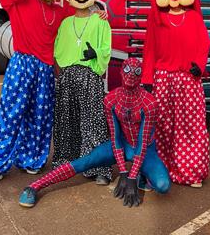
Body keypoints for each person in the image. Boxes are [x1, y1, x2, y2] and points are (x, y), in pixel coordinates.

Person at [18, 58, 171, 209]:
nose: (131, 75)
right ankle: (34, 186)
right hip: (122, 144)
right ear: (120, 72)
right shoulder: (111, 99)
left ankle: (141, 175)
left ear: (141, 75)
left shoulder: (149, 102)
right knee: (86, 161)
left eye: (136, 72)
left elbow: (142, 143)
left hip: (145, 149)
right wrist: (123, 172)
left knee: (163, 185)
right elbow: (115, 137)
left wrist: (131, 177)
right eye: (127, 70)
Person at [0, 0, 68, 185]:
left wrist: (98, 13)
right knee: (10, 115)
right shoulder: (22, 1)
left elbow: (79, 15)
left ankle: (32, 160)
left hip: (46, 69)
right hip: (22, 64)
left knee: (40, 117)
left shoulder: (59, 12)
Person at [141, 0, 210, 188]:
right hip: (163, 79)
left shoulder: (194, 18)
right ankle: (162, 168)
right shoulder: (157, 19)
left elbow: (204, 44)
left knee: (190, 125)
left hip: (189, 80)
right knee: (162, 126)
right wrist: (147, 79)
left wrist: (199, 66)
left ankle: (191, 171)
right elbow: (149, 49)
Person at [52, 0, 112, 185]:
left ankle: (100, 166)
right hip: (67, 76)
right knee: (66, 121)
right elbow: (58, 48)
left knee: (93, 123)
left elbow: (106, 47)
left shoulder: (100, 21)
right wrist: (61, 72)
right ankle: (65, 160)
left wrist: (94, 53)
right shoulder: (66, 22)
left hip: (90, 76)